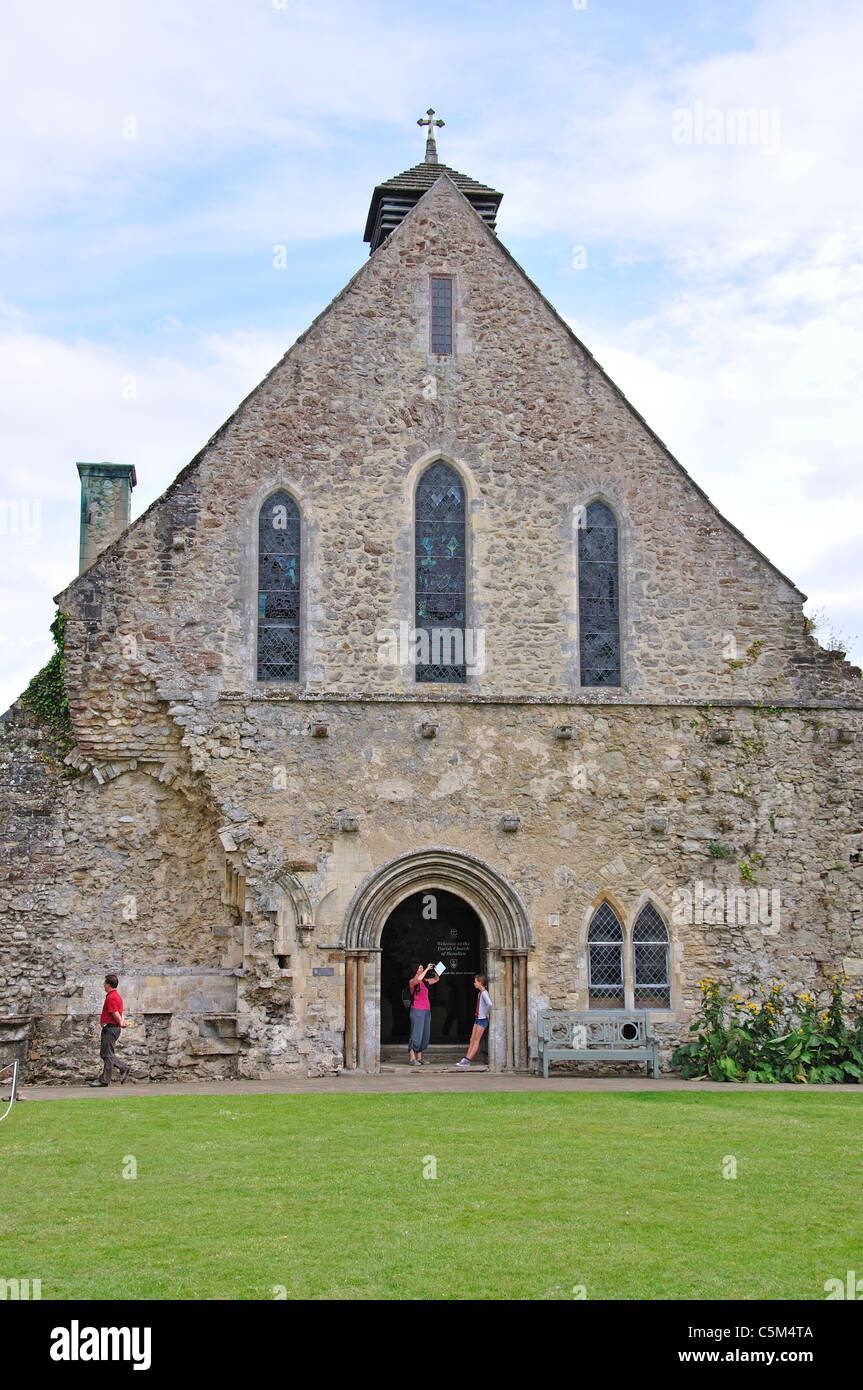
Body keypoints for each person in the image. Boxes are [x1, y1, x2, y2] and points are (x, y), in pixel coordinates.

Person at [89, 974, 132, 1087]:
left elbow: (115, 1013)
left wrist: (120, 1022)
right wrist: (122, 1022)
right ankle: (119, 1070)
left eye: (104, 984)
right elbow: (120, 1013)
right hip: (113, 1027)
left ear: (108, 985)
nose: (104, 986)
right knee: (105, 1053)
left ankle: (106, 1079)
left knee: (108, 1054)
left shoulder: (111, 998)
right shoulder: (117, 997)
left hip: (110, 1028)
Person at [456, 975, 492, 1068]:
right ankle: (466, 1058)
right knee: (472, 1039)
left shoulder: (484, 993)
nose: (474, 983)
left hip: (482, 1019)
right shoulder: (480, 993)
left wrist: (487, 1014)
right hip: (478, 1018)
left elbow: (489, 1004)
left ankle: (467, 1059)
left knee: (476, 1040)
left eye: (476, 981)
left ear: (480, 982)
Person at [407, 962, 439, 1067]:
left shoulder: (424, 982)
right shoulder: (412, 981)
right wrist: (426, 969)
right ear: (416, 970)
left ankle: (420, 1058)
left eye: (422, 967)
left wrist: (436, 971)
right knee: (416, 1033)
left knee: (424, 1034)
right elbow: (418, 980)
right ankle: (412, 1058)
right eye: (420, 968)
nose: (422, 968)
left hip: (426, 1010)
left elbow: (436, 979)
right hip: (417, 1010)